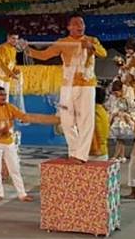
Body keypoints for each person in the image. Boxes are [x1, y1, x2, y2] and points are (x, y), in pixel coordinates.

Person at [26, 15, 106, 162]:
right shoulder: (63, 42)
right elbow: (44, 55)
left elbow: (103, 53)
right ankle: (74, 150)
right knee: (66, 120)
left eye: (82, 23)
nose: (80, 26)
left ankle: (81, 155)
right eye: (76, 23)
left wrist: (91, 47)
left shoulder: (91, 40)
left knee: (86, 120)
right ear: (69, 27)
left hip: (87, 85)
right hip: (68, 85)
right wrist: (26, 49)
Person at [0, 86, 60, 202]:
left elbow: (23, 116)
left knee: (15, 169)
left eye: (5, 94)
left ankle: (22, 194)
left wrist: (47, 119)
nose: (4, 97)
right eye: (1, 95)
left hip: (9, 143)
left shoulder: (10, 107)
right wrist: (2, 129)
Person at [0, 33, 25, 112]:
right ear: (8, 38)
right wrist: (12, 74)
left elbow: (12, 63)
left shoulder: (13, 50)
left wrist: (16, 71)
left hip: (6, 77)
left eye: (16, 39)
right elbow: (2, 64)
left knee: (6, 99)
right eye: (13, 38)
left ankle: (5, 116)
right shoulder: (2, 48)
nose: (15, 41)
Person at [106, 80, 135, 161]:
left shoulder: (126, 99)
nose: (115, 94)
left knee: (120, 139)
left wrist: (125, 114)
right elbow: (109, 108)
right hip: (115, 119)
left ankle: (115, 156)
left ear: (121, 90)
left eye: (117, 93)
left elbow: (133, 107)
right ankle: (122, 156)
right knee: (120, 138)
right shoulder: (113, 98)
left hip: (124, 120)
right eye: (114, 93)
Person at [90, 88, 110, 161]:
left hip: (94, 153)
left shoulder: (93, 112)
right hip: (103, 151)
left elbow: (93, 131)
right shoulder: (103, 111)